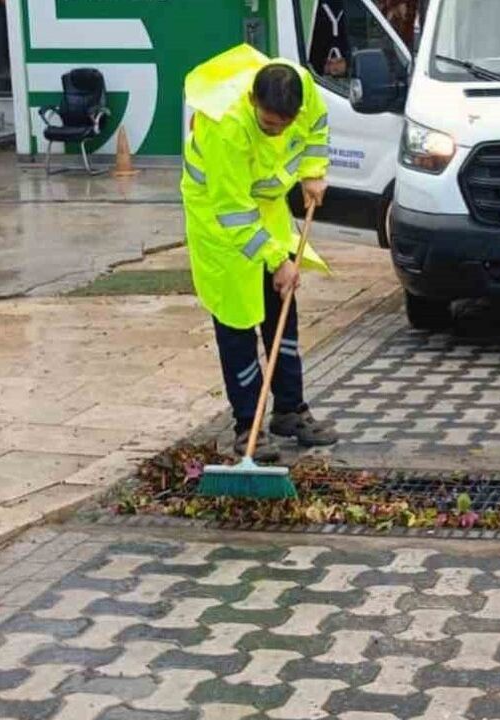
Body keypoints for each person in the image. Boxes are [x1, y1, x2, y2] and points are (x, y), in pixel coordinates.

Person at [181, 47, 339, 460]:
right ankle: (247, 425)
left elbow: (317, 125)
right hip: (219, 222)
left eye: (283, 125)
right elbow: (233, 211)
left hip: (267, 212)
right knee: (238, 324)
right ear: (253, 101)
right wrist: (277, 258)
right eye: (269, 125)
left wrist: (313, 172)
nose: (277, 132)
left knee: (280, 314)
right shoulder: (225, 127)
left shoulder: (299, 87)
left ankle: (290, 411)